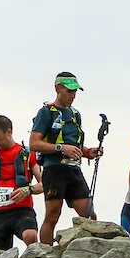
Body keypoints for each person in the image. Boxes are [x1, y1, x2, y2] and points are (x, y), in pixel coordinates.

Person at [28, 72, 103, 244]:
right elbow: (34, 143)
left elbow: (74, 145)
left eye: (75, 91)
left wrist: (88, 151)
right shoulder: (46, 112)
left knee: (89, 215)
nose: (73, 95)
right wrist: (62, 148)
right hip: (54, 169)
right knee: (53, 215)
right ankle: (44, 255)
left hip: (74, 170)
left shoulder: (75, 114)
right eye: (69, 91)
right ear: (58, 89)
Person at [0, 115, 43, 250]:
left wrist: (27, 190)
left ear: (9, 132)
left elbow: (44, 183)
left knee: (30, 236)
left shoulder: (27, 154)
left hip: (22, 210)